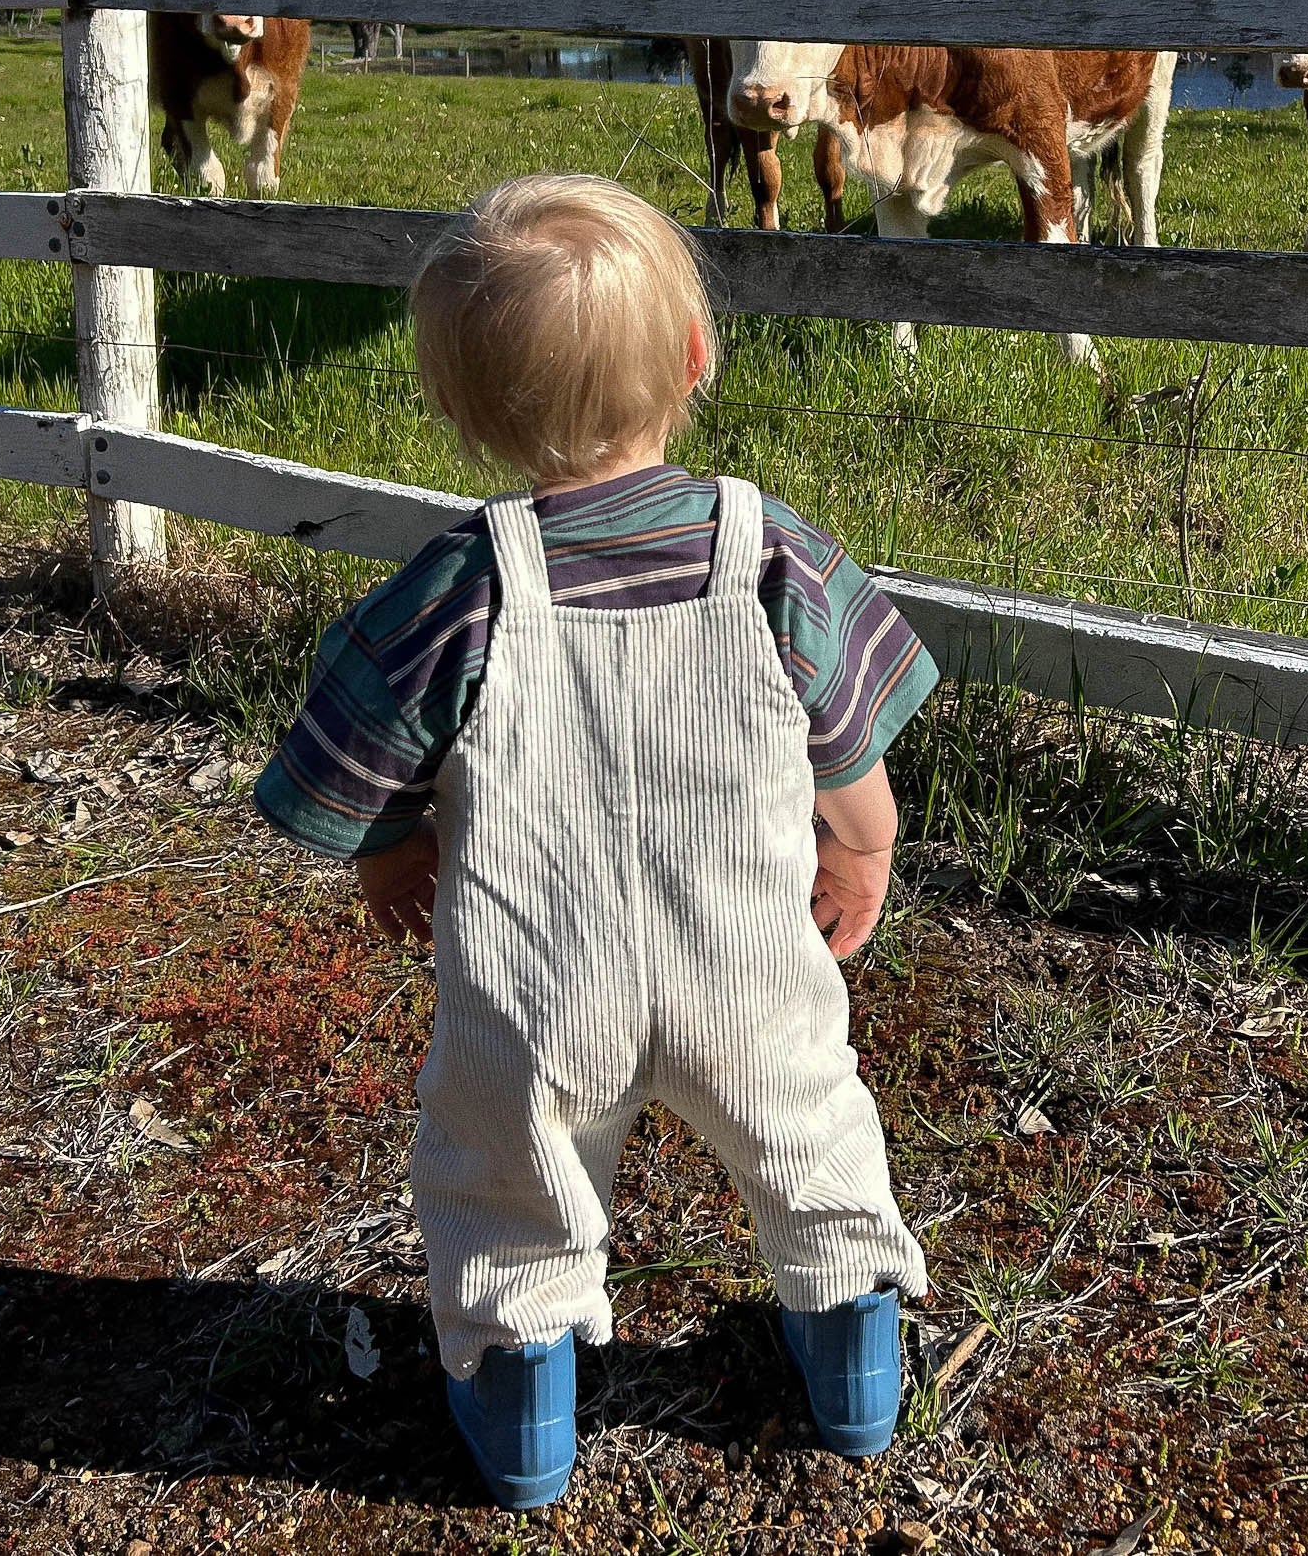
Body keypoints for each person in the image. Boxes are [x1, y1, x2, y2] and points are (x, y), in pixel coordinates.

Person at [255, 174, 937, 1511]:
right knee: (810, 1141)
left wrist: (388, 853)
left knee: (505, 1173)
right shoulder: (766, 555)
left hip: (536, 981)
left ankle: (523, 1416)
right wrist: (861, 849)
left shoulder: (462, 584)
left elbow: (357, 753)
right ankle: (851, 1361)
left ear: (460, 410)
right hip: (743, 964)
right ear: (695, 357)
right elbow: (849, 751)